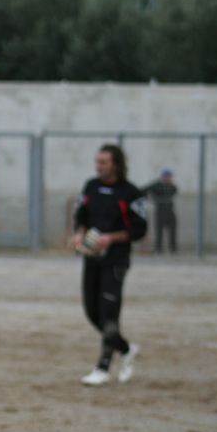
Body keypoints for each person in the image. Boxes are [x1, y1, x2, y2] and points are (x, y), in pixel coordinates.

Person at [71, 144, 148, 387]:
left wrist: (110, 239)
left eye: (103, 162)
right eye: (97, 162)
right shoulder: (91, 186)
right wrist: (79, 234)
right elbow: (81, 216)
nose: (98, 166)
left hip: (116, 260)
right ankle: (125, 349)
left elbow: (139, 230)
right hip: (92, 258)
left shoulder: (131, 193)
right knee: (92, 312)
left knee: (109, 313)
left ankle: (103, 367)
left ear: (116, 164)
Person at [143, 168, 177, 254]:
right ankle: (158, 249)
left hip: (170, 210)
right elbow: (144, 190)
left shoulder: (171, 186)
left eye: (170, 177)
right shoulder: (156, 185)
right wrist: (150, 198)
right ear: (163, 177)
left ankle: (173, 248)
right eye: (167, 176)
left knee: (172, 230)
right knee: (159, 231)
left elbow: (175, 191)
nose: (169, 178)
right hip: (160, 211)